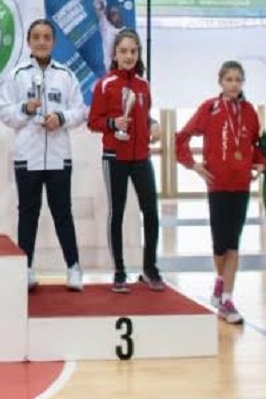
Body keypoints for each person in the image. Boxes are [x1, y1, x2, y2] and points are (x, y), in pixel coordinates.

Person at [0, 19, 86, 291]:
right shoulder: (17, 75)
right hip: (27, 156)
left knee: (62, 213)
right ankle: (26, 268)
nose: (42, 41)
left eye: (47, 37)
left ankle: (73, 268)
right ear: (28, 42)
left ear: (54, 42)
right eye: (36, 37)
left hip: (59, 157)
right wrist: (24, 109)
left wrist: (61, 117)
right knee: (28, 214)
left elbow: (79, 110)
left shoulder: (66, 75)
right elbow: (2, 110)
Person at [175, 61, 264, 324]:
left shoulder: (250, 112)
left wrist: (259, 164)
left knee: (233, 243)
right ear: (220, 82)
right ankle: (220, 279)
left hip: (241, 185)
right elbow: (182, 137)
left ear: (243, 82)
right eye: (229, 79)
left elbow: (255, 145)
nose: (234, 84)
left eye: (238, 79)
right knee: (220, 245)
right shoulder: (209, 108)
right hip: (217, 184)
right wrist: (193, 165)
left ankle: (226, 299)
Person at [88, 29, 163, 293]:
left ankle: (150, 268)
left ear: (138, 53)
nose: (129, 56)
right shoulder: (105, 84)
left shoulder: (143, 85)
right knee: (116, 213)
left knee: (151, 213)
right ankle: (119, 272)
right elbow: (93, 122)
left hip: (141, 157)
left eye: (133, 51)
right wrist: (113, 123)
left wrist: (153, 124)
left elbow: (144, 115)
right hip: (115, 157)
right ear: (115, 54)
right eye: (124, 51)